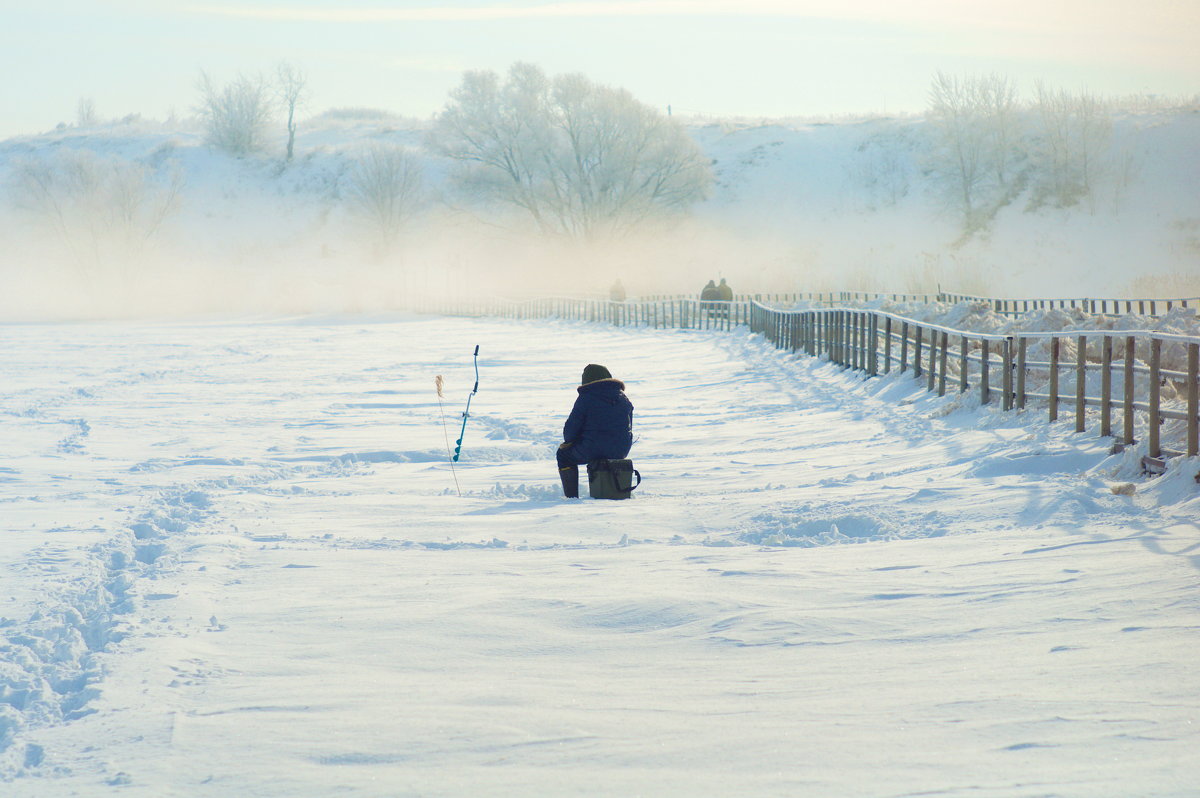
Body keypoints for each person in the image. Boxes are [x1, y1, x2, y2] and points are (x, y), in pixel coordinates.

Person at [557, 364, 634, 498]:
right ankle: (613, 489)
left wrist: (570, 442)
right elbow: (628, 426)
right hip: (621, 450)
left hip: (591, 449)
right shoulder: (624, 398)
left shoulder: (586, 397)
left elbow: (570, 430)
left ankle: (571, 497)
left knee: (564, 456)